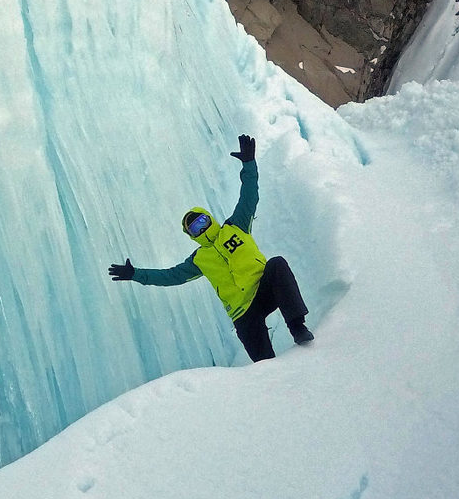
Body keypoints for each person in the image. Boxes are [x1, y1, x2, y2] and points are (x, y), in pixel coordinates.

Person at [108, 134, 314, 362]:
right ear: (192, 235)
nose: (200, 227)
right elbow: (170, 276)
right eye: (194, 228)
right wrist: (136, 274)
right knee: (265, 366)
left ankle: (297, 328)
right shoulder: (199, 259)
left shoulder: (236, 226)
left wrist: (249, 164)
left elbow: (249, 195)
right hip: (242, 313)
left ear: (209, 218)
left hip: (263, 289)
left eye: (201, 221)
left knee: (277, 265)